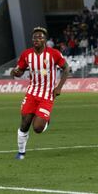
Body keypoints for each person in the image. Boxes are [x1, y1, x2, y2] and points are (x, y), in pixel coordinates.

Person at [10, 27, 69, 160]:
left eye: (40, 37)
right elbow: (20, 70)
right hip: (32, 93)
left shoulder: (53, 54)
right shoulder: (26, 54)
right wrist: (14, 72)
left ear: (45, 40)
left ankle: (46, 120)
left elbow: (66, 68)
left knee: (37, 128)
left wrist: (59, 87)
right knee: (25, 123)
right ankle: (21, 153)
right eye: (35, 37)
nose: (36, 39)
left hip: (47, 95)